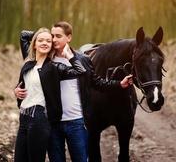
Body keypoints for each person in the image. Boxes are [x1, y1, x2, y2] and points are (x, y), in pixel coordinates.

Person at [15, 22, 133, 162]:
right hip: (53, 123)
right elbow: (24, 37)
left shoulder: (82, 59)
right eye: (52, 36)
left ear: (69, 37)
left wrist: (119, 84)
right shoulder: (46, 59)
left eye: (58, 36)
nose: (53, 40)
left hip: (76, 123)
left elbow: (97, 82)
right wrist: (43, 35)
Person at [13, 28, 86, 162]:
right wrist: (16, 91)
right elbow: (23, 34)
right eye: (40, 40)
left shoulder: (54, 68)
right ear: (34, 44)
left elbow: (81, 71)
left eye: (48, 41)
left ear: (52, 45)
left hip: (39, 119)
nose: (44, 43)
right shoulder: (28, 64)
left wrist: (69, 55)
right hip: (23, 118)